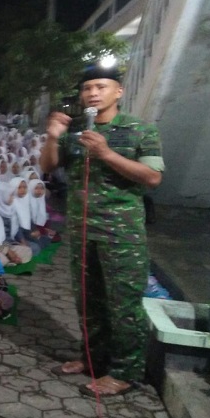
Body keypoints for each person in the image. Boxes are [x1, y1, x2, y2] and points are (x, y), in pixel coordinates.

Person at [40, 63, 164, 397]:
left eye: (100, 86)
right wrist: (53, 137)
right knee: (88, 301)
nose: (92, 93)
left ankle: (125, 371)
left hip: (121, 233)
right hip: (82, 231)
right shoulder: (77, 129)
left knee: (123, 304)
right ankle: (92, 359)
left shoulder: (139, 130)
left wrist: (106, 153)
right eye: (87, 88)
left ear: (118, 92)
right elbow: (48, 166)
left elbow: (152, 177)